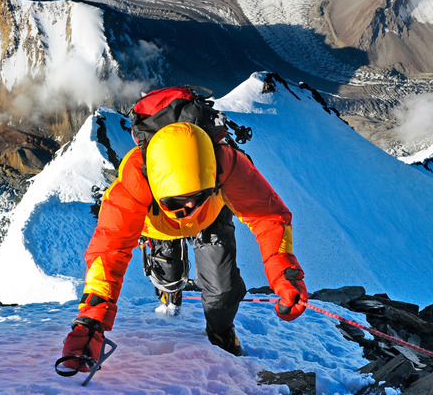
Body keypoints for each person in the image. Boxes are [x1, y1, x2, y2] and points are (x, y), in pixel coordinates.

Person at [61, 120, 307, 370]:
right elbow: (109, 249)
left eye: (197, 196)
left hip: (210, 217)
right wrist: (91, 320)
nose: (189, 207)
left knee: (222, 288)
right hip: (161, 226)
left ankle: (220, 330)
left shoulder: (226, 164)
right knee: (168, 278)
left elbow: (267, 216)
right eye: (177, 201)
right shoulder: (135, 180)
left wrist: (283, 272)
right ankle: (169, 290)